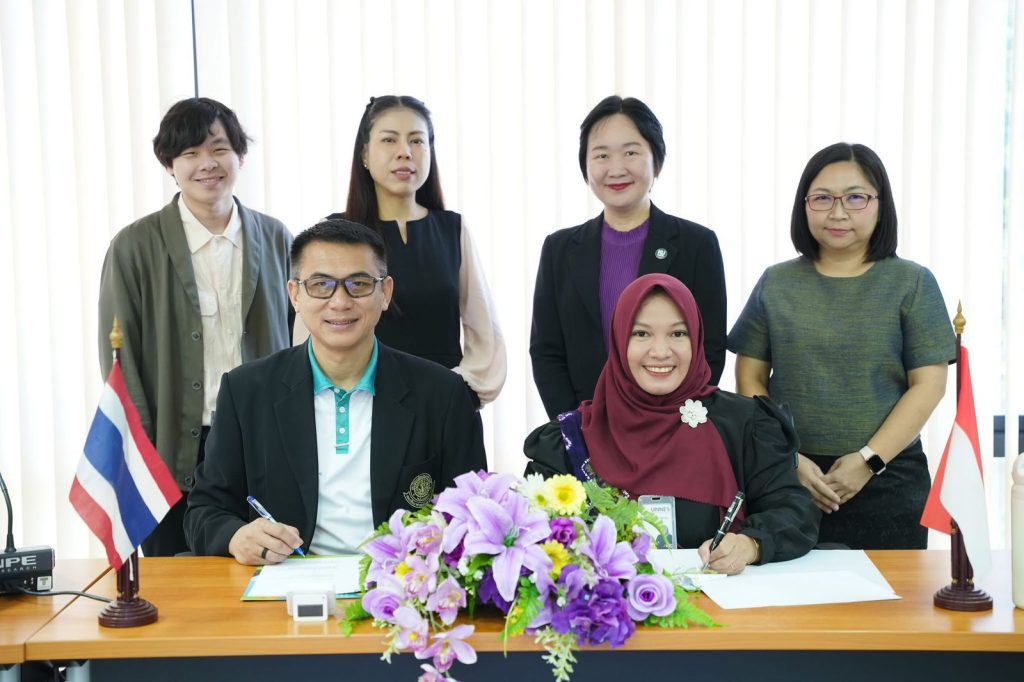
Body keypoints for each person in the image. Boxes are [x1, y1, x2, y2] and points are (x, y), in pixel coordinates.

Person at [184, 219, 487, 564]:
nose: (340, 302)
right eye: (321, 285)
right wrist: (236, 536)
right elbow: (205, 511)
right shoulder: (246, 391)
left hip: (403, 581)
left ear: (385, 293)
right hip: (287, 581)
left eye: (359, 284)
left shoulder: (442, 394)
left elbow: (473, 511)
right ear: (295, 294)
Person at [728, 142, 955, 550]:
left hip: (889, 478)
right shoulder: (776, 282)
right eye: (822, 198)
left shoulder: (912, 282)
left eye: (855, 198)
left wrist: (868, 460)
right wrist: (788, 459)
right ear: (804, 205)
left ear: (880, 205)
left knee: (889, 593)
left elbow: (929, 385)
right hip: (791, 480)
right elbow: (750, 378)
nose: (837, 212)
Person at [98, 97, 293, 557]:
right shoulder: (134, 246)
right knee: (174, 581)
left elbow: (299, 341)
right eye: (190, 153)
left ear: (240, 156)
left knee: (262, 569)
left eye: (219, 149)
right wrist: (145, 454)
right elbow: (120, 363)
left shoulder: (277, 238)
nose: (207, 163)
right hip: (172, 447)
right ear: (170, 165)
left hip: (261, 440)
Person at [525, 274, 816, 573]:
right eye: (641, 334)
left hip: (721, 598)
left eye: (678, 334)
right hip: (606, 600)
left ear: (697, 339)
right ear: (618, 340)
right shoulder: (571, 439)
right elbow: (528, 530)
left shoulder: (743, 425)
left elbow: (793, 510)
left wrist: (750, 544)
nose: (661, 351)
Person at [530, 96, 727, 420]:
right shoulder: (559, 249)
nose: (616, 168)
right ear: (586, 167)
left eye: (631, 152)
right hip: (586, 424)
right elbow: (546, 352)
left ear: (656, 161)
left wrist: (674, 423)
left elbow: (710, 349)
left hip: (671, 426)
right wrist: (575, 427)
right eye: (602, 155)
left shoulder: (697, 245)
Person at [319, 95, 505, 407]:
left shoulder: (453, 229)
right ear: (364, 154)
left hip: (445, 404)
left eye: (417, 141)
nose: (404, 152)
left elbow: (486, 336)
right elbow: (313, 335)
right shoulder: (335, 234)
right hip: (361, 406)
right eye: (389, 140)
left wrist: (455, 390)